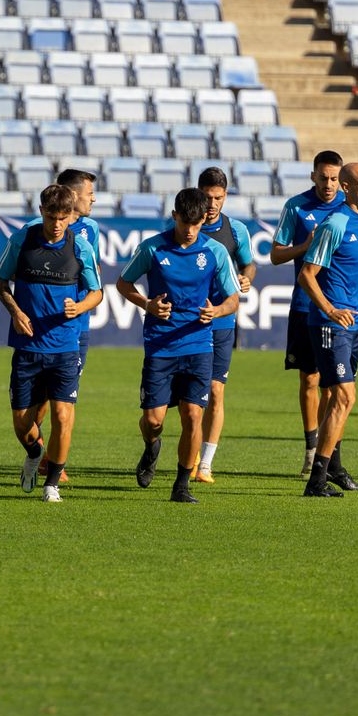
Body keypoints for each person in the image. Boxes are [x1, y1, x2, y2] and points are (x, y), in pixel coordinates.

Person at [115, 188, 241, 504]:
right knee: (154, 420)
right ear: (174, 217)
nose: (189, 230)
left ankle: (181, 485)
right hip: (160, 345)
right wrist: (147, 305)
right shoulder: (153, 248)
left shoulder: (214, 251)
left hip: (199, 345)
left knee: (192, 416)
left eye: (196, 224)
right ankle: (151, 446)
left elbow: (233, 299)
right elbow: (123, 283)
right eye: (185, 222)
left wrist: (217, 311)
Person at [0, 183, 103, 503]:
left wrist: (79, 307)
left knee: (63, 417)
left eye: (63, 217)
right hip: (27, 346)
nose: (57, 223)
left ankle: (51, 483)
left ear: (71, 216)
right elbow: (0, 281)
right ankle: (34, 453)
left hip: (65, 347)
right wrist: (14, 310)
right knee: (22, 424)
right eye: (51, 216)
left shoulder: (80, 248)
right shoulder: (22, 240)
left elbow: (96, 292)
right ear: (41, 211)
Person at [297, 163, 358, 497]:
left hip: (352, 323)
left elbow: (344, 267)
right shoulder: (334, 223)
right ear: (347, 187)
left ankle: (331, 469)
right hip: (329, 325)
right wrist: (331, 309)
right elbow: (307, 274)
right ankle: (316, 479)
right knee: (345, 396)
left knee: (339, 399)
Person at [269, 151, 345, 475]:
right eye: (323, 177)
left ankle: (329, 455)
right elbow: (275, 255)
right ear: (313, 176)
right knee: (310, 379)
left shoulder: (347, 208)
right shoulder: (296, 207)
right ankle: (311, 448)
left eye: (334, 178)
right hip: (305, 305)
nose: (328, 184)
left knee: (335, 385)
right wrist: (306, 246)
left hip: (339, 308)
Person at [33, 167, 99, 486]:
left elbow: (93, 276)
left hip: (78, 327)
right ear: (72, 196)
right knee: (40, 398)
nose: (93, 200)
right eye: (89, 194)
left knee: (65, 398)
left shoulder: (92, 231)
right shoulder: (38, 231)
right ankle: (38, 449)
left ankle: (51, 461)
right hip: (44, 328)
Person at [193, 167, 256, 484]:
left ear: (225, 196)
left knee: (216, 392)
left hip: (222, 321)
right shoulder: (185, 226)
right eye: (207, 197)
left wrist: (246, 278)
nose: (212, 204)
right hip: (189, 322)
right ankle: (187, 453)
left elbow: (248, 263)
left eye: (218, 197)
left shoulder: (236, 230)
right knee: (190, 397)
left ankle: (205, 463)